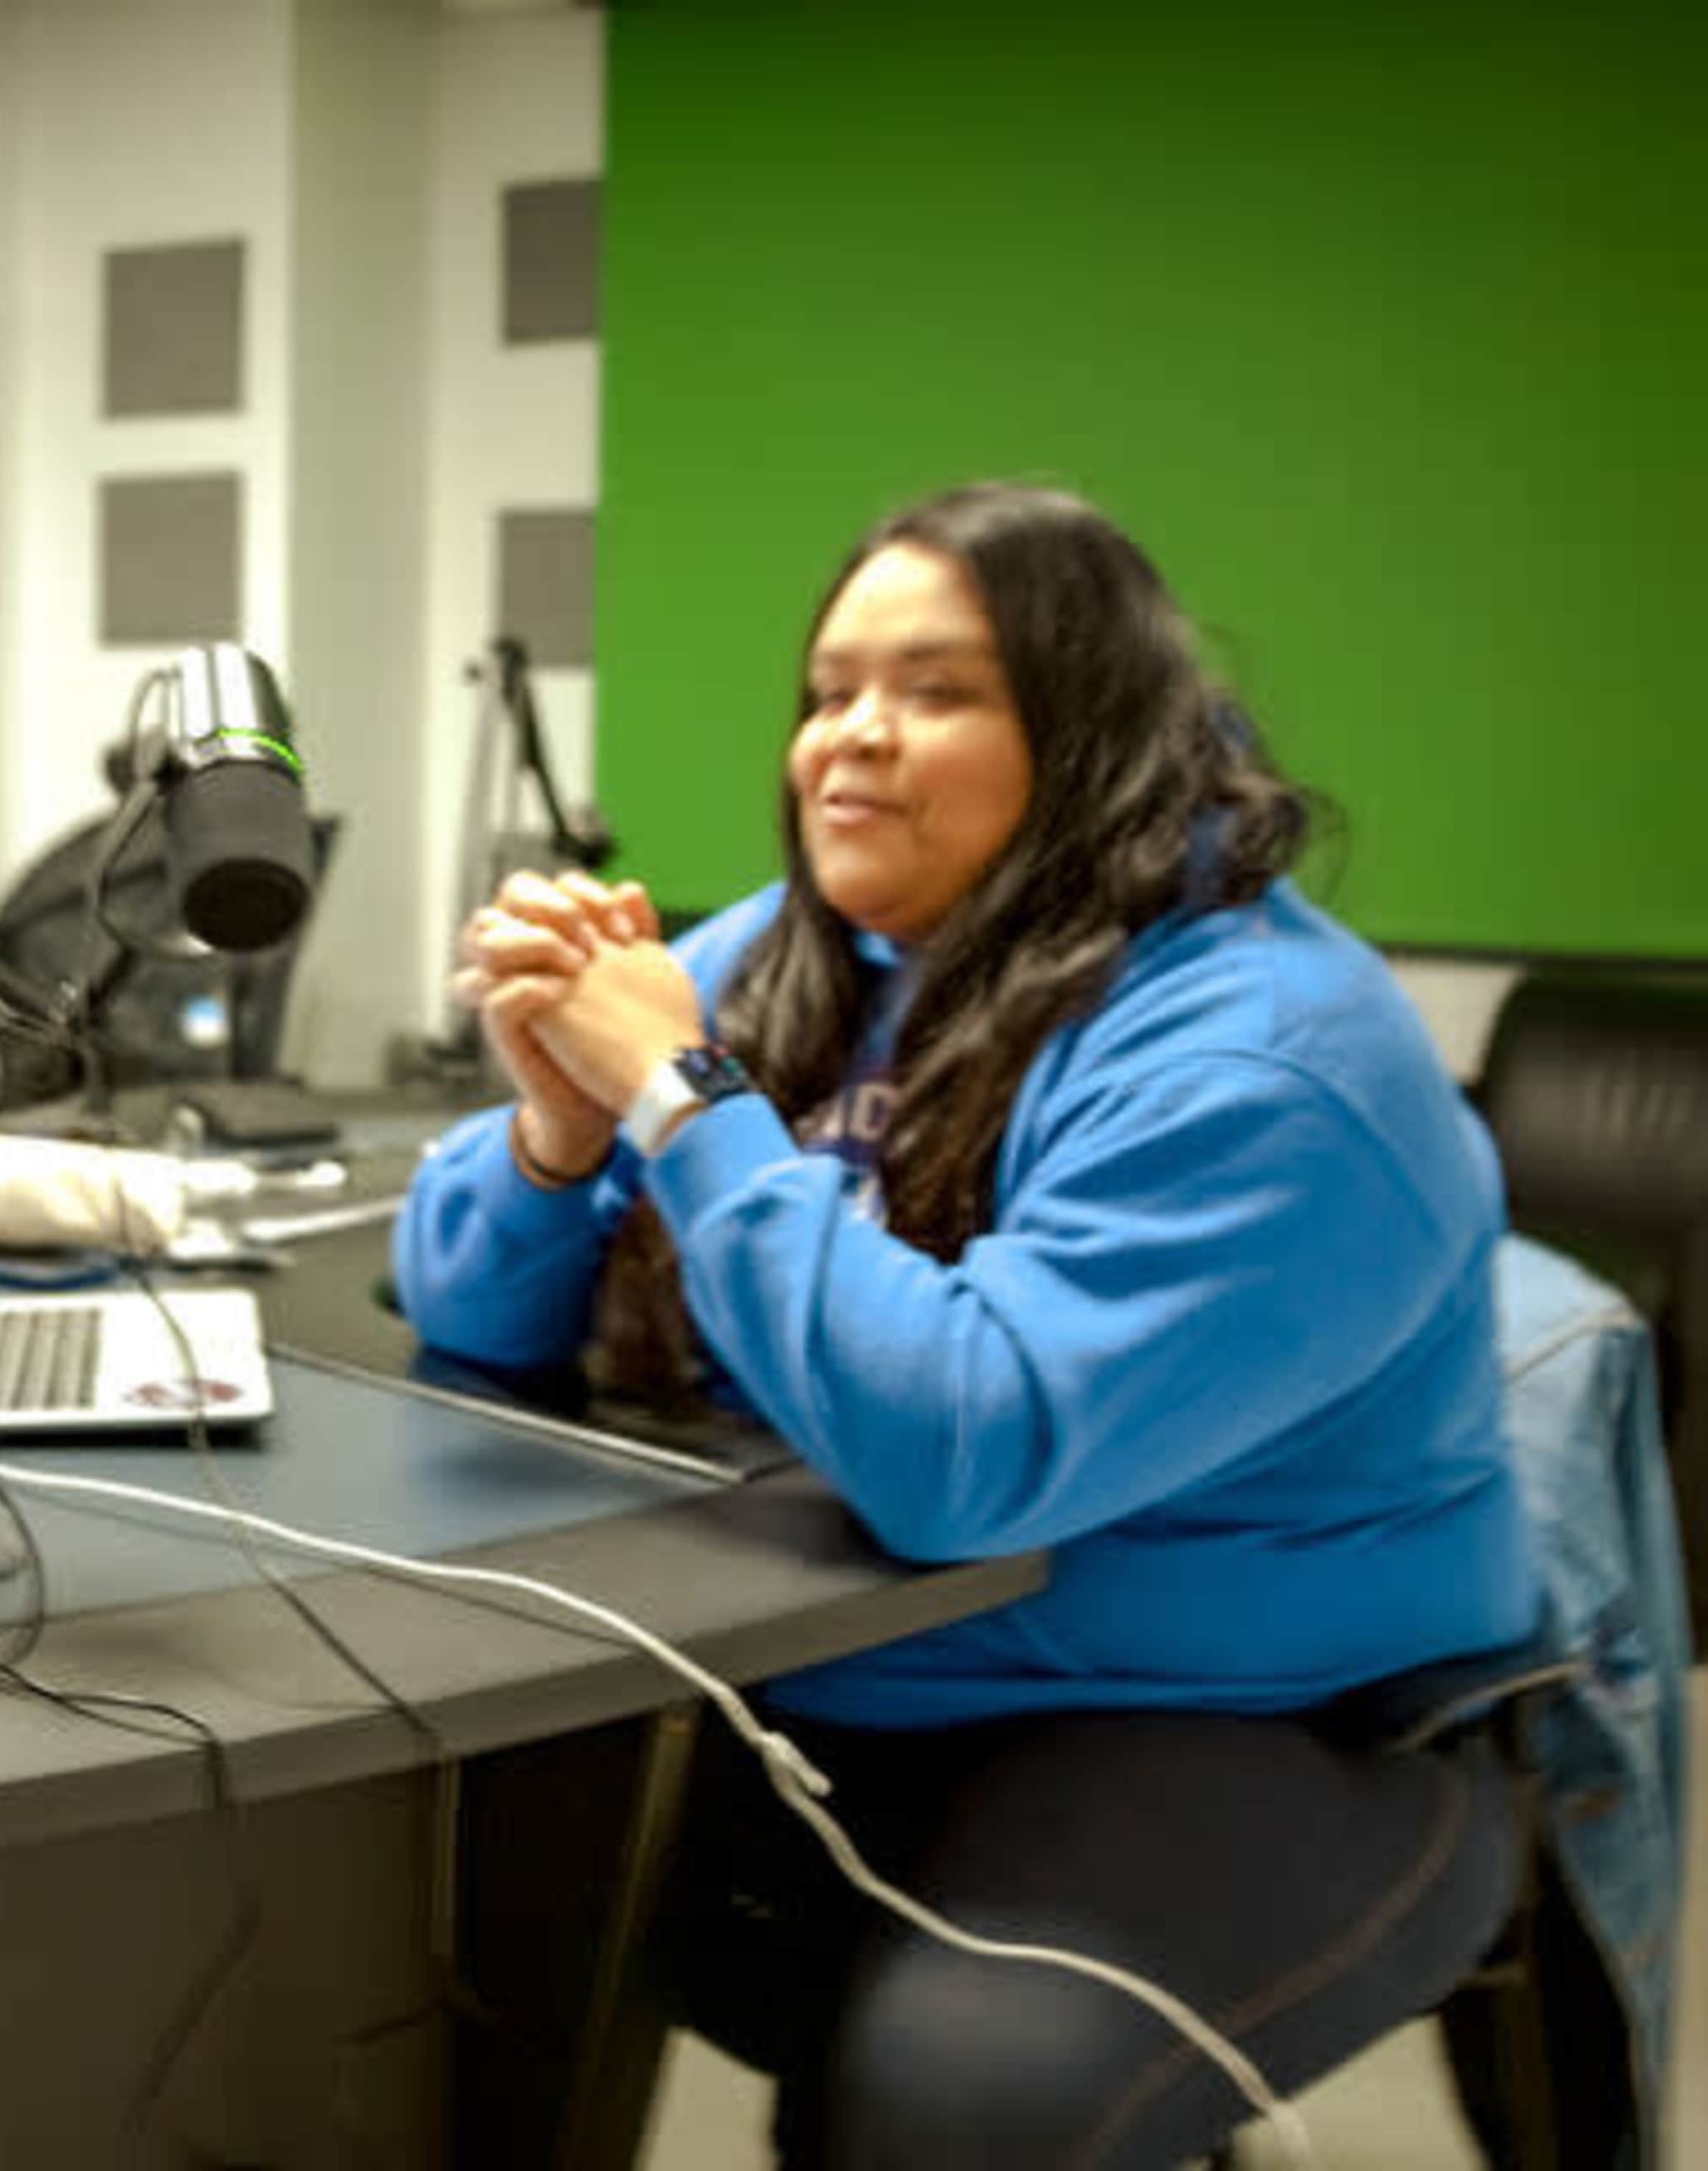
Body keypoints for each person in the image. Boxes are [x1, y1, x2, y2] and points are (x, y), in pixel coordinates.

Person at [395, 483, 1537, 2166]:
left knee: (953, 2093)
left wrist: (684, 1093)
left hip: (1239, 1709)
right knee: (412, 1888)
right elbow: (466, 1307)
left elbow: (961, 1456)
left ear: (1094, 734)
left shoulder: (1270, 1056)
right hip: (866, 1653)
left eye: (937, 691)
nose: (851, 739)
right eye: (828, 690)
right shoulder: (808, 958)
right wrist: (559, 1130)